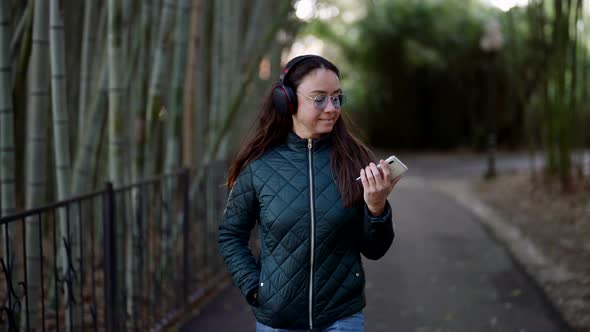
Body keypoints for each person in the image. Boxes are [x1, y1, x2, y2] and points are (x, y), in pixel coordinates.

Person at [218, 54, 399, 331]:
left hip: (341, 318)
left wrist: (377, 208)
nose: (332, 108)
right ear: (287, 100)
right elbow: (231, 235)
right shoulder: (259, 167)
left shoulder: (356, 159)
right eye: (319, 98)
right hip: (277, 321)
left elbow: (375, 250)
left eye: (337, 97)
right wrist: (254, 287)